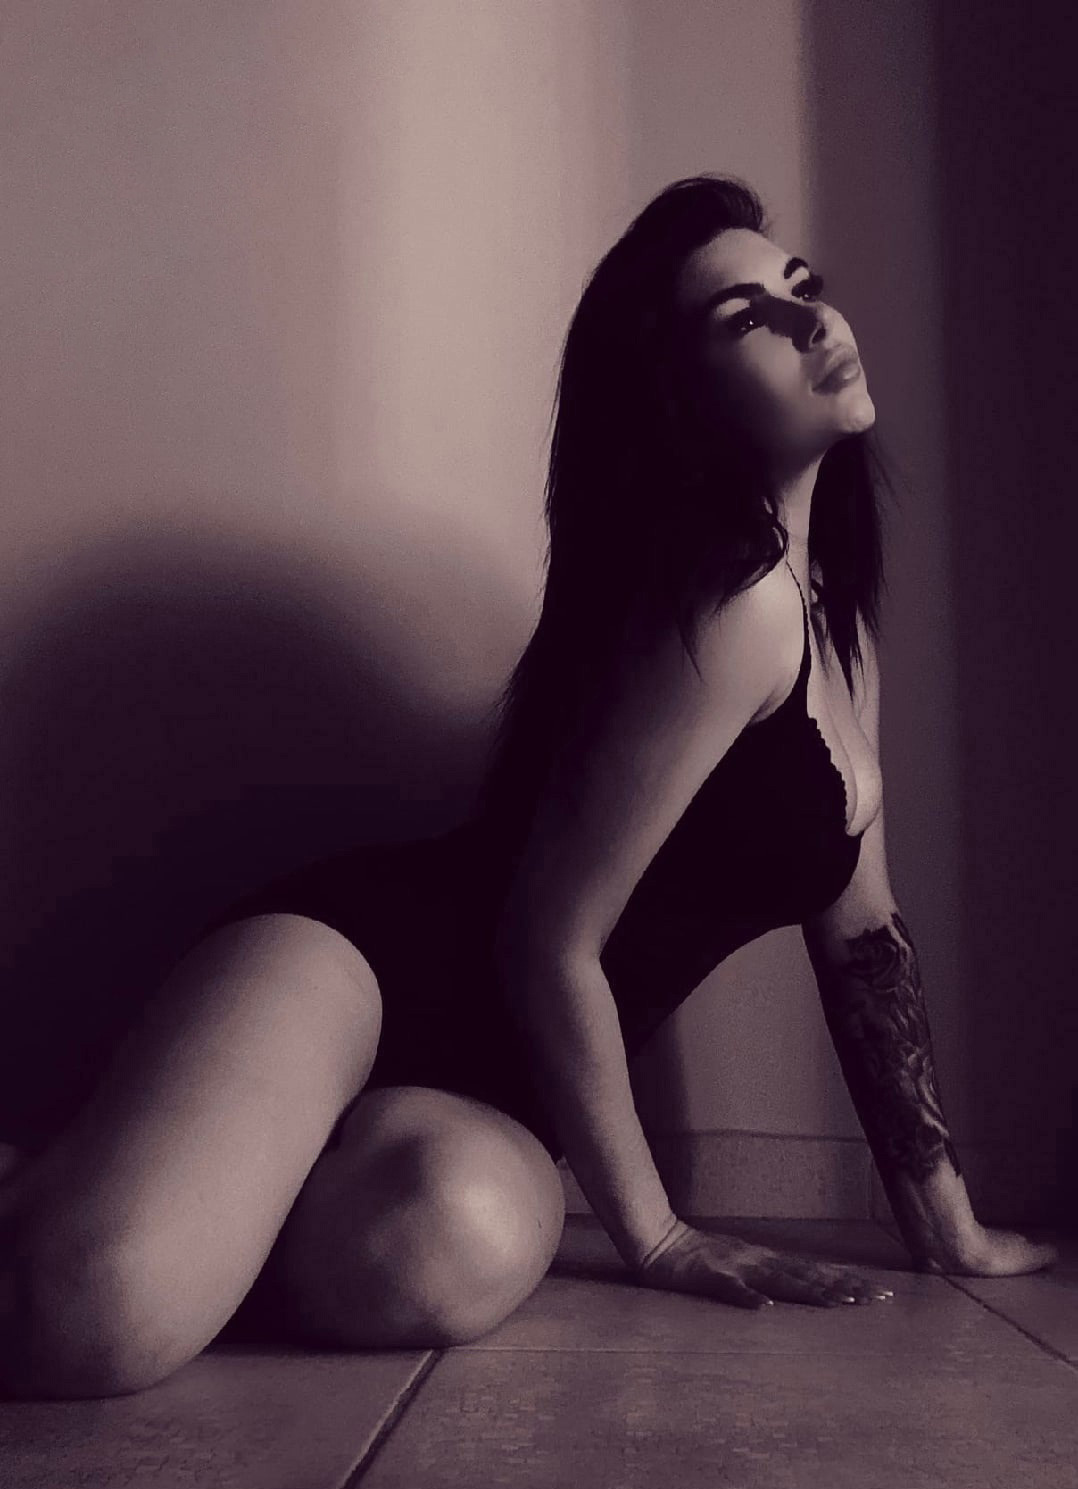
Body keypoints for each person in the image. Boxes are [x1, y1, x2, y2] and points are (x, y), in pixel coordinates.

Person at [0, 174, 1056, 1400]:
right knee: (90, 1314)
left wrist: (946, 1227)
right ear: (681, 398)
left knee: (445, 1250)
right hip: (360, 969)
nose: (811, 318)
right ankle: (81, 1195)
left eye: (800, 286)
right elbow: (547, 937)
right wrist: (656, 1236)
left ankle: (178, 1194)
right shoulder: (737, 604)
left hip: (501, 1091)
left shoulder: (831, 619)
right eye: (746, 317)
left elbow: (863, 935)